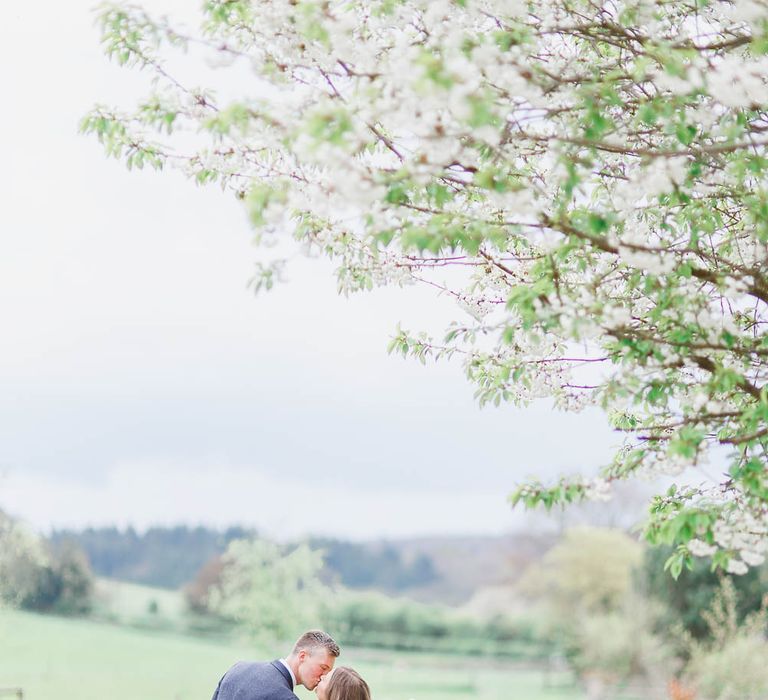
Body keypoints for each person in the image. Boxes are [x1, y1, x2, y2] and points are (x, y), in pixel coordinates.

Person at [211, 630, 340, 700]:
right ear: (302, 656)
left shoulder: (238, 668)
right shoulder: (286, 698)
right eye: (323, 668)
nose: (324, 676)